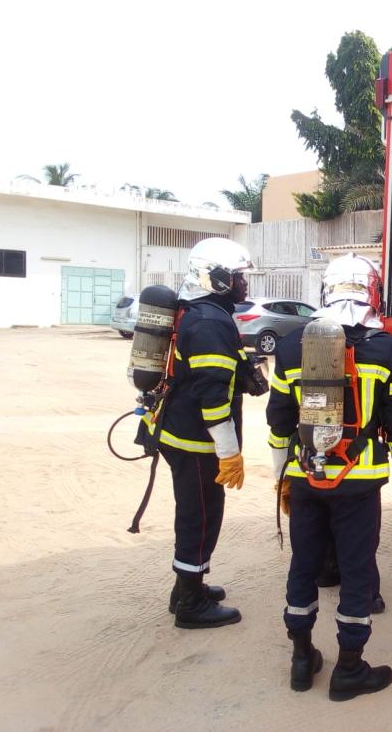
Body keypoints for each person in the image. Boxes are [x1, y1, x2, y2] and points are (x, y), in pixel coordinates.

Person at [267, 252, 392, 701]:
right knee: (357, 573)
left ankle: (301, 660)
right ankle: (349, 669)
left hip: (305, 478)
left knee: (303, 566)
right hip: (359, 484)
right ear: (373, 292)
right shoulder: (388, 349)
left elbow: (279, 422)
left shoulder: (292, 346)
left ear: (326, 291)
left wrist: (282, 479)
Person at [140, 237, 253, 629]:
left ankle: (187, 587)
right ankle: (190, 603)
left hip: (182, 432)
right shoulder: (209, 322)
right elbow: (212, 396)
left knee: (196, 511)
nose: (244, 284)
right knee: (201, 516)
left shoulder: (201, 312)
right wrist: (229, 451)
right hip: (196, 440)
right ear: (216, 278)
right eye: (238, 277)